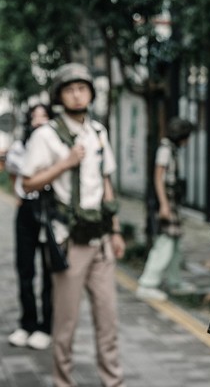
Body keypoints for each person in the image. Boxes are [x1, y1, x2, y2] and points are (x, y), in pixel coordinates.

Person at [21, 63, 126, 387]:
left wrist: (117, 228)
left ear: (91, 93)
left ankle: (114, 381)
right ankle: (62, 381)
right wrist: (65, 163)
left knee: (108, 319)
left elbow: (106, 183)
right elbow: (27, 183)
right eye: (70, 89)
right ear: (59, 95)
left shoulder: (98, 132)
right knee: (65, 324)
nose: (77, 94)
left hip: (101, 239)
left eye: (82, 88)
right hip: (69, 240)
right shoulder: (46, 135)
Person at [6, 103, 53, 350]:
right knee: (25, 269)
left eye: (43, 115)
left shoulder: (56, 146)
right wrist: (17, 193)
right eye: (34, 116)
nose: (38, 120)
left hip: (50, 212)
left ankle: (47, 326)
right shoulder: (19, 146)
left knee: (49, 271)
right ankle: (27, 324)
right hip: (26, 210)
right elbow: (14, 173)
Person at [136, 116, 195, 301]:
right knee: (165, 243)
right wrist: (163, 205)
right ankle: (147, 283)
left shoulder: (171, 149)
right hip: (166, 201)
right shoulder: (165, 150)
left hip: (171, 201)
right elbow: (158, 178)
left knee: (175, 243)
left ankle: (174, 281)